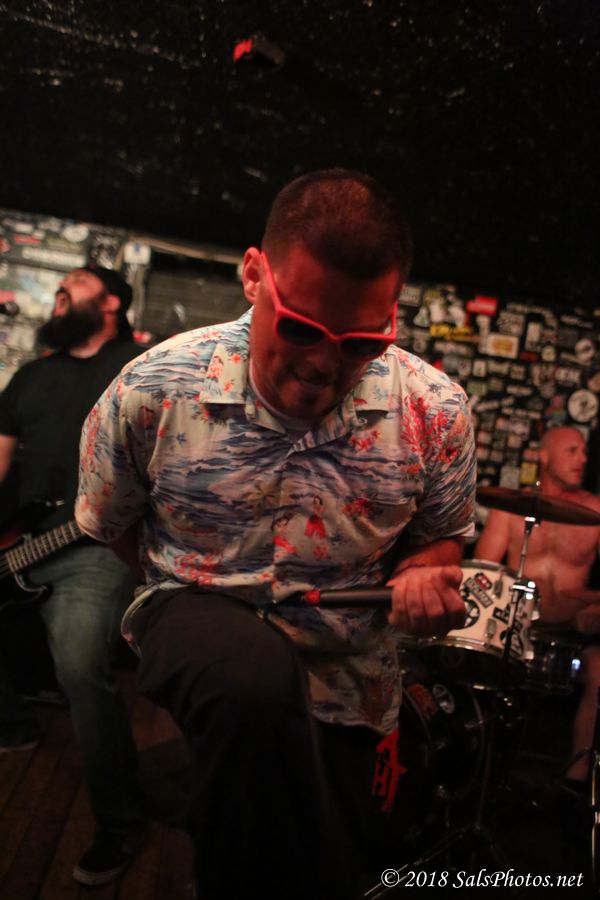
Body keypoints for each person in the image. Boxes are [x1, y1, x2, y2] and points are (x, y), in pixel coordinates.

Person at [76, 169, 477, 900]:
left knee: (320, 855)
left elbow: (442, 536)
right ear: (254, 276)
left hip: (348, 671)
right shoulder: (151, 389)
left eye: (361, 342)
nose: (324, 363)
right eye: (302, 329)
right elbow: (110, 524)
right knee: (251, 682)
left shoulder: (437, 412)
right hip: (194, 614)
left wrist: (426, 571)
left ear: (393, 313)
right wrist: (184, 590)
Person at [0, 265, 146, 885]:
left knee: (82, 665)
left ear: (111, 301)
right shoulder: (32, 376)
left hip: (94, 543)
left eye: (77, 280)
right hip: (20, 541)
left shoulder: (137, 368)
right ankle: (14, 722)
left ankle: (121, 821)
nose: (62, 287)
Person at [475, 426, 600, 788]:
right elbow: (484, 574)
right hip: (515, 630)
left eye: (584, 451)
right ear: (544, 456)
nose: (582, 459)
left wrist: (594, 608)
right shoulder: (511, 510)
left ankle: (575, 784)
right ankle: (480, 770)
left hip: (571, 634)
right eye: (572, 450)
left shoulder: (595, 510)